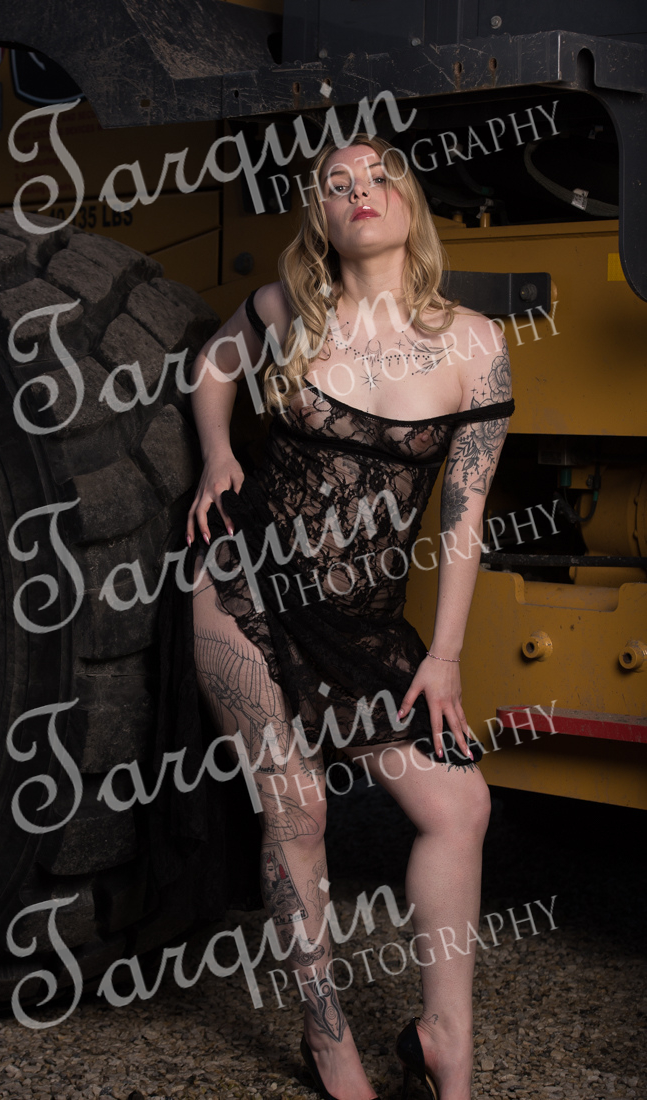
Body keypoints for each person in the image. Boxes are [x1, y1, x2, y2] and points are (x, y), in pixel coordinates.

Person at [181, 134, 513, 1100]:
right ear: (321, 216)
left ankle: (446, 1043)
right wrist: (217, 452)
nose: (360, 190)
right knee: (298, 804)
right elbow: (213, 364)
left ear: (410, 204)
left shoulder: (475, 346)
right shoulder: (289, 309)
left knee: (460, 806)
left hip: (361, 624)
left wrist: (444, 655)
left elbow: (463, 520)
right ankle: (329, 1044)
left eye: (379, 177)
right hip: (245, 583)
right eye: (338, 183)